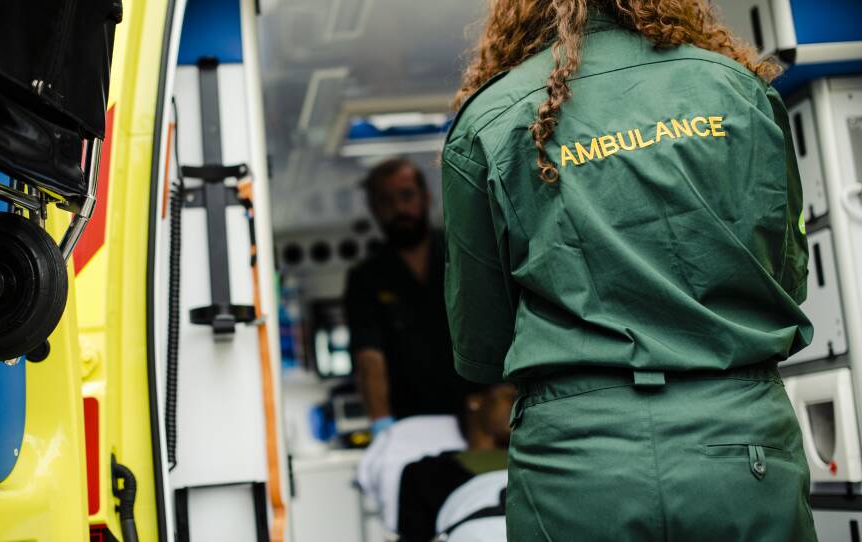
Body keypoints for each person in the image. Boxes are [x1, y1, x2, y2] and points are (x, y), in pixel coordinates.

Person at [441, 1, 815, 540]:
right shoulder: (737, 89)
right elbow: (787, 276)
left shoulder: (489, 120)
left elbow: (481, 343)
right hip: (741, 450)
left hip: (576, 469)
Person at [345, 158, 477, 435]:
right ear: (374, 210)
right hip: (412, 426)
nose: (399, 209)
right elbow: (370, 357)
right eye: (386, 201)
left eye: (407, 196)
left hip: (478, 416)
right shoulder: (366, 279)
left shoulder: (464, 253)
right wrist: (383, 426)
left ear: (426, 198)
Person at [397, 384, 515, 542]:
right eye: (511, 398)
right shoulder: (427, 473)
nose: (521, 407)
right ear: (476, 400)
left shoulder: (544, 462)